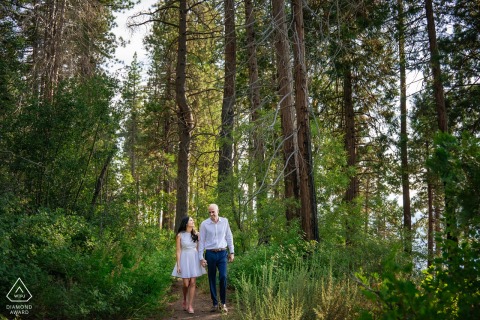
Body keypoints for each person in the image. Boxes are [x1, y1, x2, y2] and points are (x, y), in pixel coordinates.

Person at [199, 203, 234, 313]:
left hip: (223, 252)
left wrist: (232, 252)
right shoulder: (204, 224)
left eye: (213, 211)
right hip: (210, 254)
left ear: (218, 211)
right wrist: (201, 257)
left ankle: (223, 303)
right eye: (209, 212)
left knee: (223, 277)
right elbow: (201, 241)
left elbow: (229, 237)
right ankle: (215, 303)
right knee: (212, 278)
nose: (211, 214)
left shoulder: (225, 221)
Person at [171, 216, 206, 314]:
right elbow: (178, 251)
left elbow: (200, 249)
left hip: (194, 259)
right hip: (184, 259)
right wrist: (178, 265)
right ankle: (185, 299)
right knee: (186, 284)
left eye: (193, 220)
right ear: (186, 223)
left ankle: (190, 305)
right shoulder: (180, 235)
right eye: (191, 220)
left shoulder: (197, 234)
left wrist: (201, 259)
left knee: (193, 282)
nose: (193, 221)